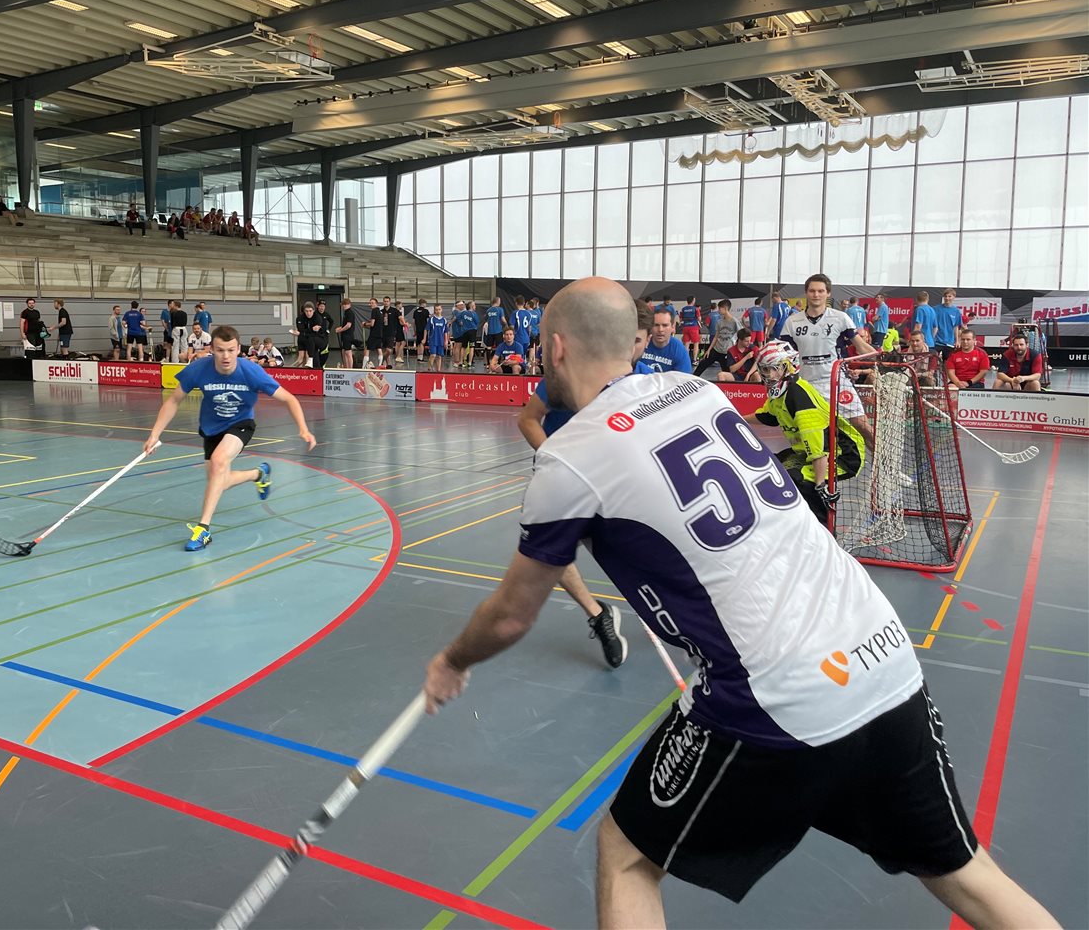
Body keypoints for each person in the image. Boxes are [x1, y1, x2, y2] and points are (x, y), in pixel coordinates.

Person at [422, 277, 1058, 930]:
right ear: (631, 342)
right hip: (884, 655)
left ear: (554, 348)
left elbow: (510, 615)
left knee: (627, 857)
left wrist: (451, 661)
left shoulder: (569, 460)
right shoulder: (697, 391)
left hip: (777, 692)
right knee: (965, 872)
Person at [144, 326, 317, 552]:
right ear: (212, 349)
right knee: (219, 482)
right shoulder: (199, 369)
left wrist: (303, 429)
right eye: (220, 350)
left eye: (231, 350)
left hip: (240, 423)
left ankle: (203, 530)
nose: (226, 356)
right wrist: (154, 434)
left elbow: (289, 399)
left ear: (238, 349)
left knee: (218, 462)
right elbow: (174, 400)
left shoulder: (251, 371)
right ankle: (258, 474)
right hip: (210, 428)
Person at [515, 375, 627, 670]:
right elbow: (528, 419)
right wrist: (559, 460)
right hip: (561, 475)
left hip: (612, 474)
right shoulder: (565, 374)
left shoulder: (642, 376)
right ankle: (598, 614)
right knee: (546, 553)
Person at [748, 340, 864, 527]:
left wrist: (820, 485)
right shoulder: (782, 393)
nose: (767, 375)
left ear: (788, 367)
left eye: (772, 369)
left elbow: (818, 449)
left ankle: (824, 531)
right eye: (765, 369)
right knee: (771, 465)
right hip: (812, 451)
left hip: (843, 454)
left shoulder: (799, 396)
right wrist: (733, 416)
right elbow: (768, 416)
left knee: (800, 479)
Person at [784, 274, 876, 449]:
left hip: (836, 382)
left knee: (864, 427)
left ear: (828, 293)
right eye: (812, 291)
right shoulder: (792, 322)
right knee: (814, 437)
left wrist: (881, 357)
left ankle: (884, 464)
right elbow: (784, 354)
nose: (816, 295)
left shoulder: (840, 318)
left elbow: (861, 346)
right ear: (806, 293)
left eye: (820, 291)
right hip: (807, 386)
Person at [636, 307, 692, 375]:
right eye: (656, 325)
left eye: (665, 325)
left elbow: (684, 378)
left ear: (673, 327)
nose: (660, 330)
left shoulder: (679, 351)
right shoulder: (640, 344)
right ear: (650, 327)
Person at [693, 299, 738, 379]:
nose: (718, 310)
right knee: (702, 364)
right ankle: (693, 378)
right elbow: (716, 336)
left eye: (720, 308)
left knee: (727, 372)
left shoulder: (734, 321)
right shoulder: (719, 322)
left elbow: (741, 334)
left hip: (726, 352)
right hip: (716, 350)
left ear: (725, 308)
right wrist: (709, 350)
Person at [934, 289, 963, 361]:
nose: (947, 298)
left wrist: (957, 341)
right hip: (936, 341)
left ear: (953, 297)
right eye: (946, 296)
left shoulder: (956, 311)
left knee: (947, 363)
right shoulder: (935, 309)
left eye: (949, 296)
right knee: (933, 362)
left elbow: (956, 327)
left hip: (949, 342)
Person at [677, 295, 702, 365]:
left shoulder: (683, 309)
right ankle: (694, 360)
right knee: (696, 344)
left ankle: (686, 360)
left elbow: (680, 319)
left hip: (685, 327)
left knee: (686, 344)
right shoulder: (696, 309)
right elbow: (699, 319)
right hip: (694, 328)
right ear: (693, 300)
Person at [335, 298, 360, 369]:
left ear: (349, 305)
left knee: (348, 353)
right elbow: (345, 325)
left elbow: (348, 325)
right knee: (344, 352)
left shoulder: (350, 313)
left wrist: (340, 330)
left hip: (348, 335)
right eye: (343, 304)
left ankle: (350, 368)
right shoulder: (346, 313)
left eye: (346, 304)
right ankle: (346, 367)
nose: (344, 306)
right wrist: (339, 328)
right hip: (345, 335)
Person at [291, 301, 316, 368]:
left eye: (310, 311)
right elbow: (301, 329)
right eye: (306, 311)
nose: (308, 313)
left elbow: (301, 330)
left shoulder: (310, 318)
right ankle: (302, 371)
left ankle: (305, 371)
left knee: (304, 356)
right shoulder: (300, 318)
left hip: (305, 338)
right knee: (303, 357)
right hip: (303, 338)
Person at [311, 300, 334, 369]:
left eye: (323, 306)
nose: (322, 308)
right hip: (316, 335)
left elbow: (331, 321)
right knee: (316, 352)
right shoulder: (314, 314)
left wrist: (328, 330)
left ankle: (322, 364)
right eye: (321, 306)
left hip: (324, 336)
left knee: (324, 351)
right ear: (317, 306)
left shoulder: (326, 314)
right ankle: (316, 366)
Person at [382, 296, 404, 368]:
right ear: (383, 302)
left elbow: (400, 317)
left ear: (390, 302)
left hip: (391, 333)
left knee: (389, 350)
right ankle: (387, 365)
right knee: (384, 349)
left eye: (387, 301)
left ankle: (381, 360)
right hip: (382, 333)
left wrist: (404, 323)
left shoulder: (394, 310)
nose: (386, 302)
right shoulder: (381, 311)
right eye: (385, 301)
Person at [483, 295, 506, 365]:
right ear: (498, 301)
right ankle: (498, 362)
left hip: (490, 331)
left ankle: (488, 364)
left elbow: (485, 319)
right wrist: (506, 325)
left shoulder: (488, 310)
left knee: (489, 347)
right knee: (499, 347)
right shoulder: (500, 309)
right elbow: (503, 319)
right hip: (498, 331)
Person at [425, 303, 448, 372]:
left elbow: (446, 331)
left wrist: (446, 341)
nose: (438, 311)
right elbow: (426, 329)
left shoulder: (444, 320)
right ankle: (429, 369)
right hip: (433, 340)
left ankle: (438, 371)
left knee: (439, 356)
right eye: (436, 310)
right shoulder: (432, 319)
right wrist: (424, 338)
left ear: (441, 310)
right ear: (434, 310)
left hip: (440, 340)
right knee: (433, 355)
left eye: (439, 309)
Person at [363, 297, 383, 368]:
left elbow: (372, 324)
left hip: (374, 333)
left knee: (367, 349)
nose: (371, 304)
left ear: (376, 303)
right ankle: (380, 365)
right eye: (370, 303)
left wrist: (365, 324)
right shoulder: (380, 312)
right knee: (379, 348)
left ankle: (363, 366)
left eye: (372, 303)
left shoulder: (374, 311)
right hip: (380, 333)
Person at [412, 298, 430, 366]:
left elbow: (413, 322)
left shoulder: (415, 311)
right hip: (424, 329)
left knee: (419, 343)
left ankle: (418, 357)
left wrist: (414, 331)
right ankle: (421, 357)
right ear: (423, 304)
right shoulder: (426, 311)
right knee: (422, 343)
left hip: (418, 329)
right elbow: (429, 319)